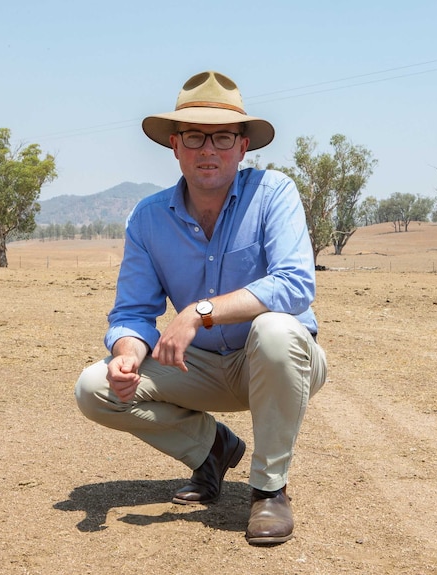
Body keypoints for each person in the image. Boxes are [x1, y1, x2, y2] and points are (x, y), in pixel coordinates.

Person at [74, 71, 327, 545]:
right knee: (95, 387)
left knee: (275, 329)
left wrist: (198, 312)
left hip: (277, 363)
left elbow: (295, 285)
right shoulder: (148, 218)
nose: (208, 149)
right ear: (175, 145)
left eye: (223, 137)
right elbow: (131, 311)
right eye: (194, 136)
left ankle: (270, 490)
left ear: (243, 146)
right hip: (201, 368)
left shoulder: (274, 194)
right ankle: (211, 449)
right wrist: (127, 353)